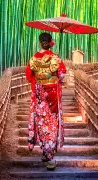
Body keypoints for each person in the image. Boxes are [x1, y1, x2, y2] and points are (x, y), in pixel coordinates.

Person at [26, 32, 66, 170]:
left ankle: (45, 151)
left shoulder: (33, 59)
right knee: (51, 123)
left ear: (39, 42)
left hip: (39, 93)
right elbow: (62, 76)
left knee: (41, 121)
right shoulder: (56, 58)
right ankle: (50, 158)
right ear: (50, 42)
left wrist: (39, 81)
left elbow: (29, 76)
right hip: (52, 93)